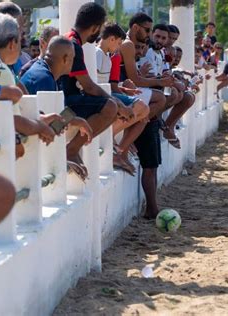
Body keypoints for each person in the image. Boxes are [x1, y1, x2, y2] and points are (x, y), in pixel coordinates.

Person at [60, 2, 128, 178]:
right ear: (95, 28)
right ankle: (72, 150)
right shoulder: (73, 44)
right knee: (110, 108)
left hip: (65, 98)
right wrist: (117, 103)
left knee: (110, 105)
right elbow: (89, 86)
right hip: (64, 106)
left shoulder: (70, 39)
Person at [120, 13, 170, 220]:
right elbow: (135, 79)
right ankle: (152, 208)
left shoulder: (132, 47)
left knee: (152, 164)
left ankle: (152, 207)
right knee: (150, 164)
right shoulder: (128, 45)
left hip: (136, 101)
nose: (149, 35)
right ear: (134, 27)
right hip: (133, 101)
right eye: (147, 30)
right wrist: (160, 81)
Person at [0, 14, 56, 151]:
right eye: (21, 41)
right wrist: (39, 127)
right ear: (12, 43)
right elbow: (11, 119)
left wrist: (39, 120)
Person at [96, 22, 150, 175]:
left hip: (108, 93)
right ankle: (110, 139)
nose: (119, 47)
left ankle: (116, 147)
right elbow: (94, 84)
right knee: (142, 108)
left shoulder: (107, 55)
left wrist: (123, 89)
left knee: (143, 113)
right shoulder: (97, 53)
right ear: (111, 39)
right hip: (102, 96)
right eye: (119, 43)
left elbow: (106, 82)